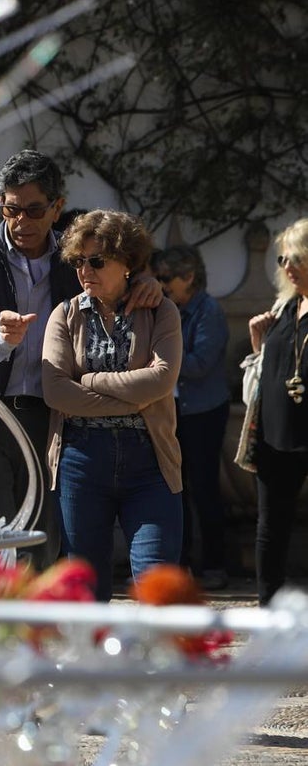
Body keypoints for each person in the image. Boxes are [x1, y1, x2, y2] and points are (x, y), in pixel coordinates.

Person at [0, 149, 162, 570]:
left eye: (34, 210)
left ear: (57, 207)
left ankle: (34, 614)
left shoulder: (76, 257)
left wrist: (146, 283)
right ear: (0, 203)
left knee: (42, 544)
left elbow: (115, 281)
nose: (21, 221)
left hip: (53, 417)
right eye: (11, 209)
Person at [42, 209, 183, 602]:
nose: (85, 270)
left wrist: (89, 380)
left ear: (127, 263)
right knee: (87, 592)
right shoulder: (65, 315)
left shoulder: (160, 310)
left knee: (158, 582)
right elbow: (56, 391)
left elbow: (161, 380)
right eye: (78, 261)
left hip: (150, 460)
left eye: (97, 261)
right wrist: (135, 400)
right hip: (81, 461)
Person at [151, 245, 231, 590]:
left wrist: (161, 360)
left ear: (189, 277)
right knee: (174, 490)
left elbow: (200, 364)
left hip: (203, 412)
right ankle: (178, 566)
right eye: (158, 277)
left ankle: (214, 565)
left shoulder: (208, 311)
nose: (161, 284)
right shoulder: (167, 308)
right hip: (174, 412)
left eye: (167, 277)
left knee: (204, 488)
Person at [241, 218, 308, 606]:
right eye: (283, 258)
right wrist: (257, 341)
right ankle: (268, 610)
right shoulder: (284, 307)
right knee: (270, 528)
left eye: (296, 257)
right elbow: (268, 367)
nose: (287, 266)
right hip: (274, 434)